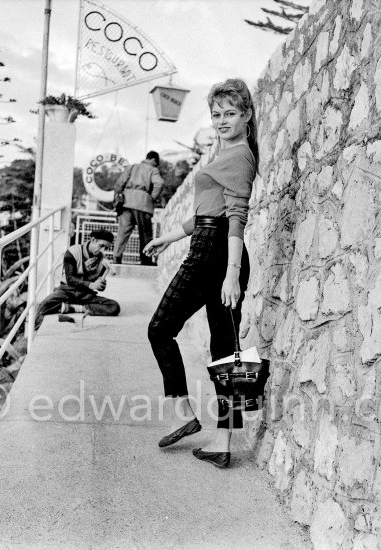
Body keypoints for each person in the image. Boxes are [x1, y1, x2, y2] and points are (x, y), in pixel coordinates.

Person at [144, 79, 259, 469]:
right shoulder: (225, 152)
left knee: (160, 329)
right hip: (211, 246)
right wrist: (170, 236)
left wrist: (232, 274)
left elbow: (235, 219)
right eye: (216, 114)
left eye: (230, 114)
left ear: (246, 115)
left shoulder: (241, 156)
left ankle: (184, 415)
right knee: (225, 351)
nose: (222, 120)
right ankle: (223, 444)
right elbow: (208, 212)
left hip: (218, 254)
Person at [35, 230, 120, 329]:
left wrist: (101, 285)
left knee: (114, 307)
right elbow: (70, 279)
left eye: (106, 248)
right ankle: (36, 329)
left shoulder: (102, 260)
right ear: (93, 240)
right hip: (66, 290)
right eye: (101, 246)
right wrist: (91, 285)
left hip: (85, 294)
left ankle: (73, 308)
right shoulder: (72, 252)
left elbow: (98, 285)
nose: (103, 250)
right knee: (43, 305)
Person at [113, 151, 164, 266]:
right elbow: (159, 183)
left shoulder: (132, 167)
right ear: (153, 160)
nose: (156, 165)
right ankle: (145, 260)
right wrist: (151, 198)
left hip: (126, 203)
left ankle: (116, 257)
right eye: (156, 163)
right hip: (143, 205)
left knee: (122, 232)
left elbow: (119, 183)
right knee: (145, 233)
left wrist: (119, 196)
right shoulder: (153, 169)